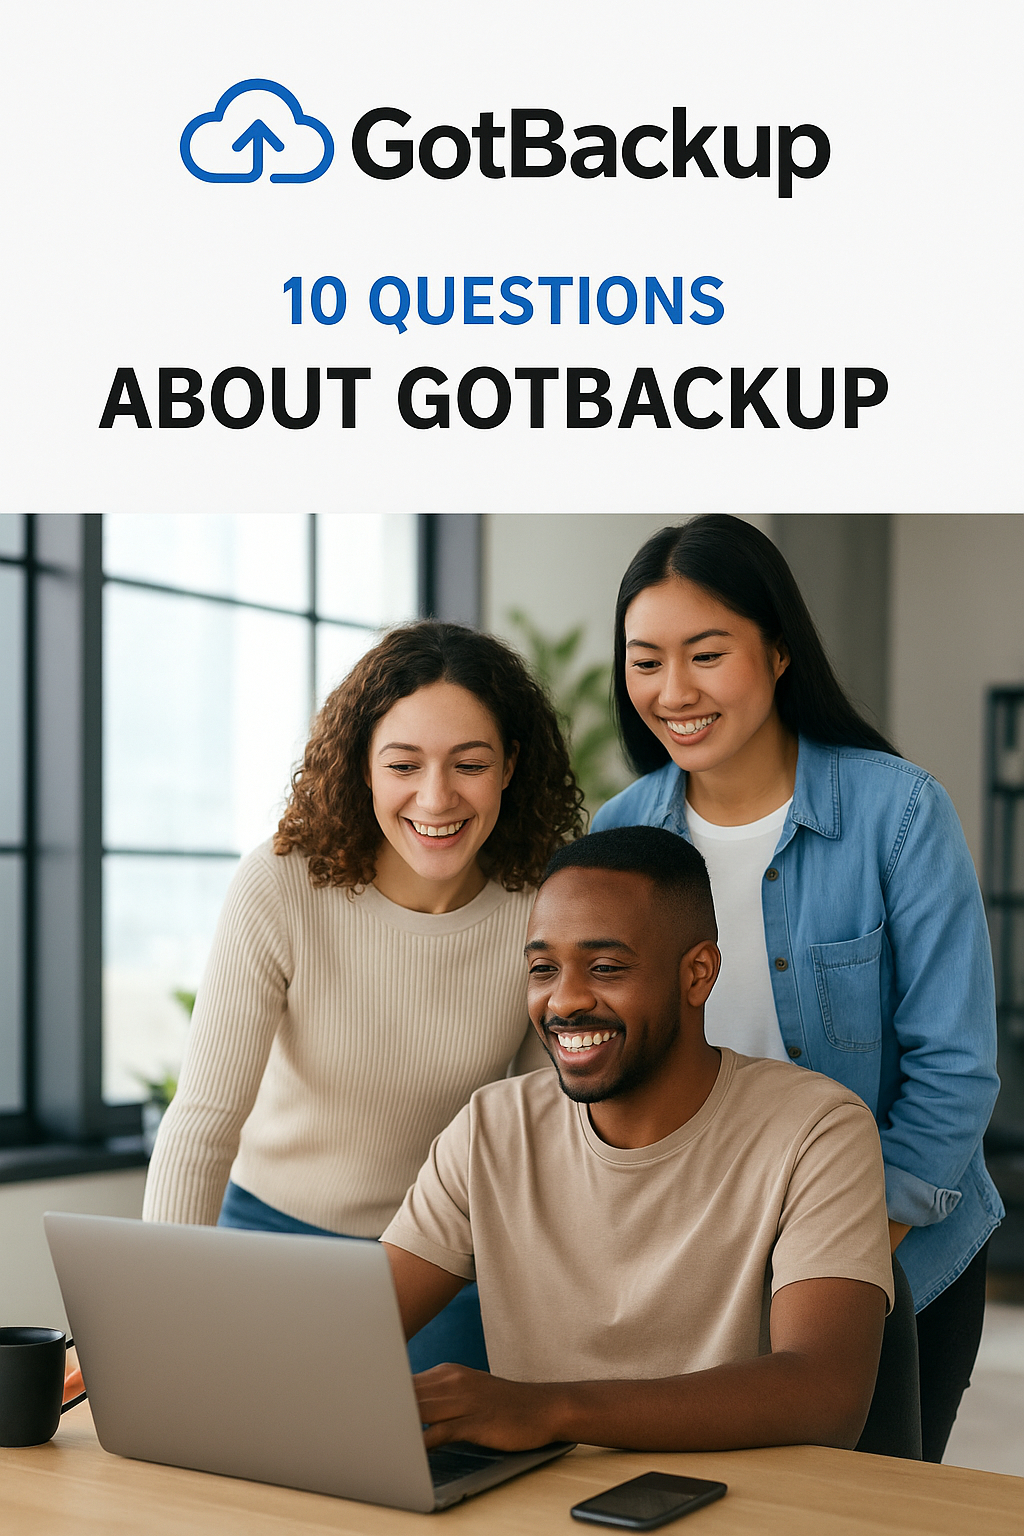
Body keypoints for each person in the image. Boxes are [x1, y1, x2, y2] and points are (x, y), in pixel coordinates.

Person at [590, 515, 1002, 1461]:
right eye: (644, 660)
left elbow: (955, 1071)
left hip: (896, 1242)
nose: (673, 691)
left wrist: (844, 1254)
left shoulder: (896, 813)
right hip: (696, 1253)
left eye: (706, 653)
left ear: (777, 651)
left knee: (867, 1510)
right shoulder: (622, 833)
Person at [143, 620, 584, 1372]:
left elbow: (553, 1124)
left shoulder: (542, 906)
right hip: (270, 1239)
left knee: (443, 1476)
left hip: (442, 1259)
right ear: (364, 768)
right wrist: (152, 1313)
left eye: (468, 764)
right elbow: (205, 1121)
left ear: (510, 765)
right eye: (403, 764)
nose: (436, 797)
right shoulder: (281, 886)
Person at [381, 827, 894, 1453]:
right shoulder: (494, 1126)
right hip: (539, 1507)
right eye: (543, 968)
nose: (564, 1000)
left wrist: (552, 1410)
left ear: (698, 975)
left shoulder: (817, 1130)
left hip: (739, 1505)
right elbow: (356, 1325)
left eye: (606, 967)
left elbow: (824, 1395)